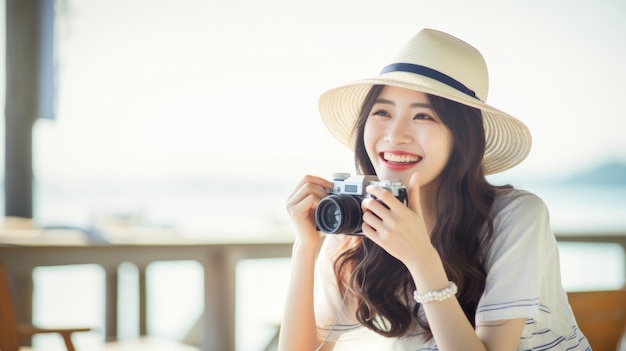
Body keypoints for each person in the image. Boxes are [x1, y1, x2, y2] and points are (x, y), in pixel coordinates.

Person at [279, 28, 589, 350]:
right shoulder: (357, 228)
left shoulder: (516, 216)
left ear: (461, 137)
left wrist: (422, 260)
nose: (395, 134)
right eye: (382, 112)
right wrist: (304, 248)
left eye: (423, 116)